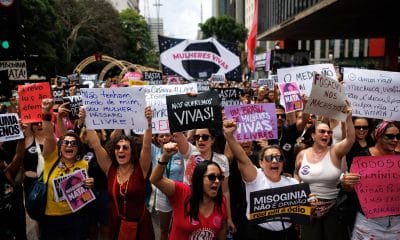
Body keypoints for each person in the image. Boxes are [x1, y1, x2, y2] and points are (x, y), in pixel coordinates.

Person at [86, 106, 155, 240]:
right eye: (117, 147)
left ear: (132, 151)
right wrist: (88, 121)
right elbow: (96, 144)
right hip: (117, 225)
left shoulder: (141, 168)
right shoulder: (110, 168)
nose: (120, 150)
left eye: (125, 147)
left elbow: (146, 146)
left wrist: (148, 123)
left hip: (141, 226)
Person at [223, 119, 300, 239]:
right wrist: (229, 136)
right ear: (261, 162)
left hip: (287, 234)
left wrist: (311, 204)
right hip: (258, 234)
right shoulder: (255, 177)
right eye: (269, 158)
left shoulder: (293, 183)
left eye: (279, 158)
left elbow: (303, 214)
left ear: (283, 163)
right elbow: (242, 157)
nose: (274, 161)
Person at [294, 105, 354, 240]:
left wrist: (348, 118)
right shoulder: (302, 154)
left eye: (329, 132)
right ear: (313, 135)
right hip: (308, 207)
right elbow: (296, 174)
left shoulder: (335, 151)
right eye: (322, 131)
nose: (326, 134)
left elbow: (350, 139)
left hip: (332, 208)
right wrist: (302, 195)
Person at [40, 98, 94, 239]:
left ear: (78, 148)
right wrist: (46, 112)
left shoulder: (83, 164)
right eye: (66, 143)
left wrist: (89, 186)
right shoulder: (51, 158)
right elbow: (49, 136)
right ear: (60, 145)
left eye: (73, 143)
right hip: (51, 217)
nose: (69, 145)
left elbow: (85, 195)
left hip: (75, 217)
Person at [150, 142, 228, 239]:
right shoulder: (182, 192)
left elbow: (222, 229)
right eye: (211, 177)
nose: (217, 181)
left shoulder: (222, 202)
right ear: (199, 179)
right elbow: (155, 179)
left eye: (219, 177)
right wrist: (165, 157)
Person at [341, 120, 400, 239]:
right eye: (390, 136)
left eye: (398, 136)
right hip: (369, 223)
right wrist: (346, 182)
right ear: (378, 136)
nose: (395, 140)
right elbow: (350, 189)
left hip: (396, 223)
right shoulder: (362, 158)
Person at [173, 128, 235, 232]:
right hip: (190, 206)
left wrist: (229, 218)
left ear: (213, 140)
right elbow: (177, 133)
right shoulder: (190, 152)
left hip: (211, 209)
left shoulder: (222, 160)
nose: (200, 140)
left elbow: (225, 191)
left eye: (205, 137)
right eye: (197, 137)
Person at [151, 133, 184, 240]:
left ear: (172, 137)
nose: (164, 138)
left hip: (179, 195)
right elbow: (145, 140)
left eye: (167, 135)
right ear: (157, 139)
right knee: (163, 229)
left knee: (179, 228)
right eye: (161, 136)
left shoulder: (182, 151)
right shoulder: (154, 151)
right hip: (162, 196)